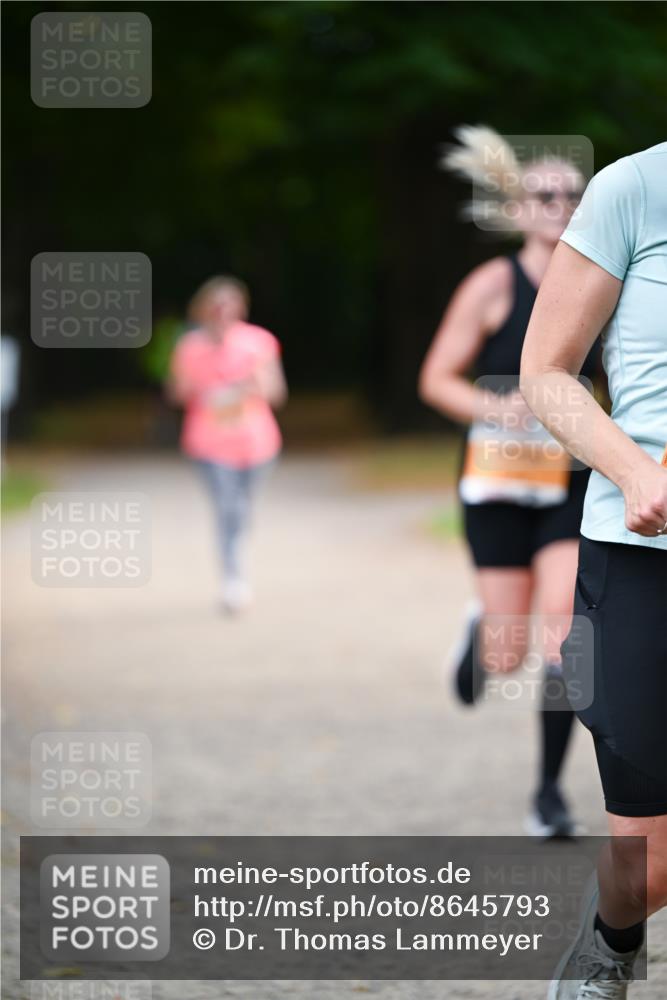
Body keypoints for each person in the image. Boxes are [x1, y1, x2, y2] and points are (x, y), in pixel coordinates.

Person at [419, 126, 598, 838]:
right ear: (518, 209)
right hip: (496, 483)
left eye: (570, 194)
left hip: (567, 483)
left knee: (564, 639)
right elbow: (433, 379)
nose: (557, 203)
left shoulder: (595, 284)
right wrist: (498, 406)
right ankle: (478, 630)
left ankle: (547, 795)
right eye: (542, 193)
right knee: (506, 654)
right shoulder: (492, 285)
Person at [521, 142, 667, 998]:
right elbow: (545, 369)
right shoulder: (633, 188)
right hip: (639, 554)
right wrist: (634, 470)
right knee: (645, 867)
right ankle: (611, 940)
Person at [168, 275, 287, 612]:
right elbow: (176, 393)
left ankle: (235, 555)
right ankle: (233, 577)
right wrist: (199, 389)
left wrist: (250, 386)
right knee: (227, 507)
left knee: (242, 509)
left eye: (229, 304)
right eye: (216, 305)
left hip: (257, 442)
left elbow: (276, 392)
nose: (222, 311)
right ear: (203, 309)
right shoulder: (189, 347)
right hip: (209, 443)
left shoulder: (259, 342)